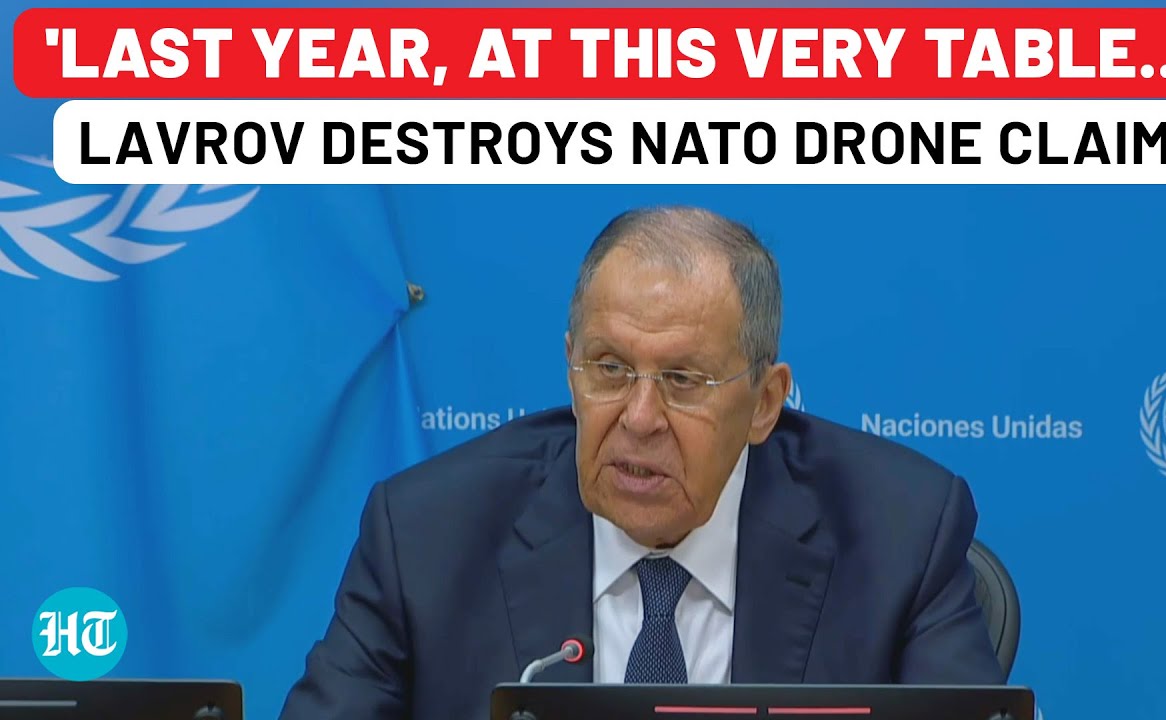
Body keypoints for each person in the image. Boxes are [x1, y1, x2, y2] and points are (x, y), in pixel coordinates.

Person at [278, 206, 1004, 720]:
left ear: (764, 402)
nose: (639, 417)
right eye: (609, 368)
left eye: (684, 380)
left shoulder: (901, 535)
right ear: (571, 367)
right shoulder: (426, 534)